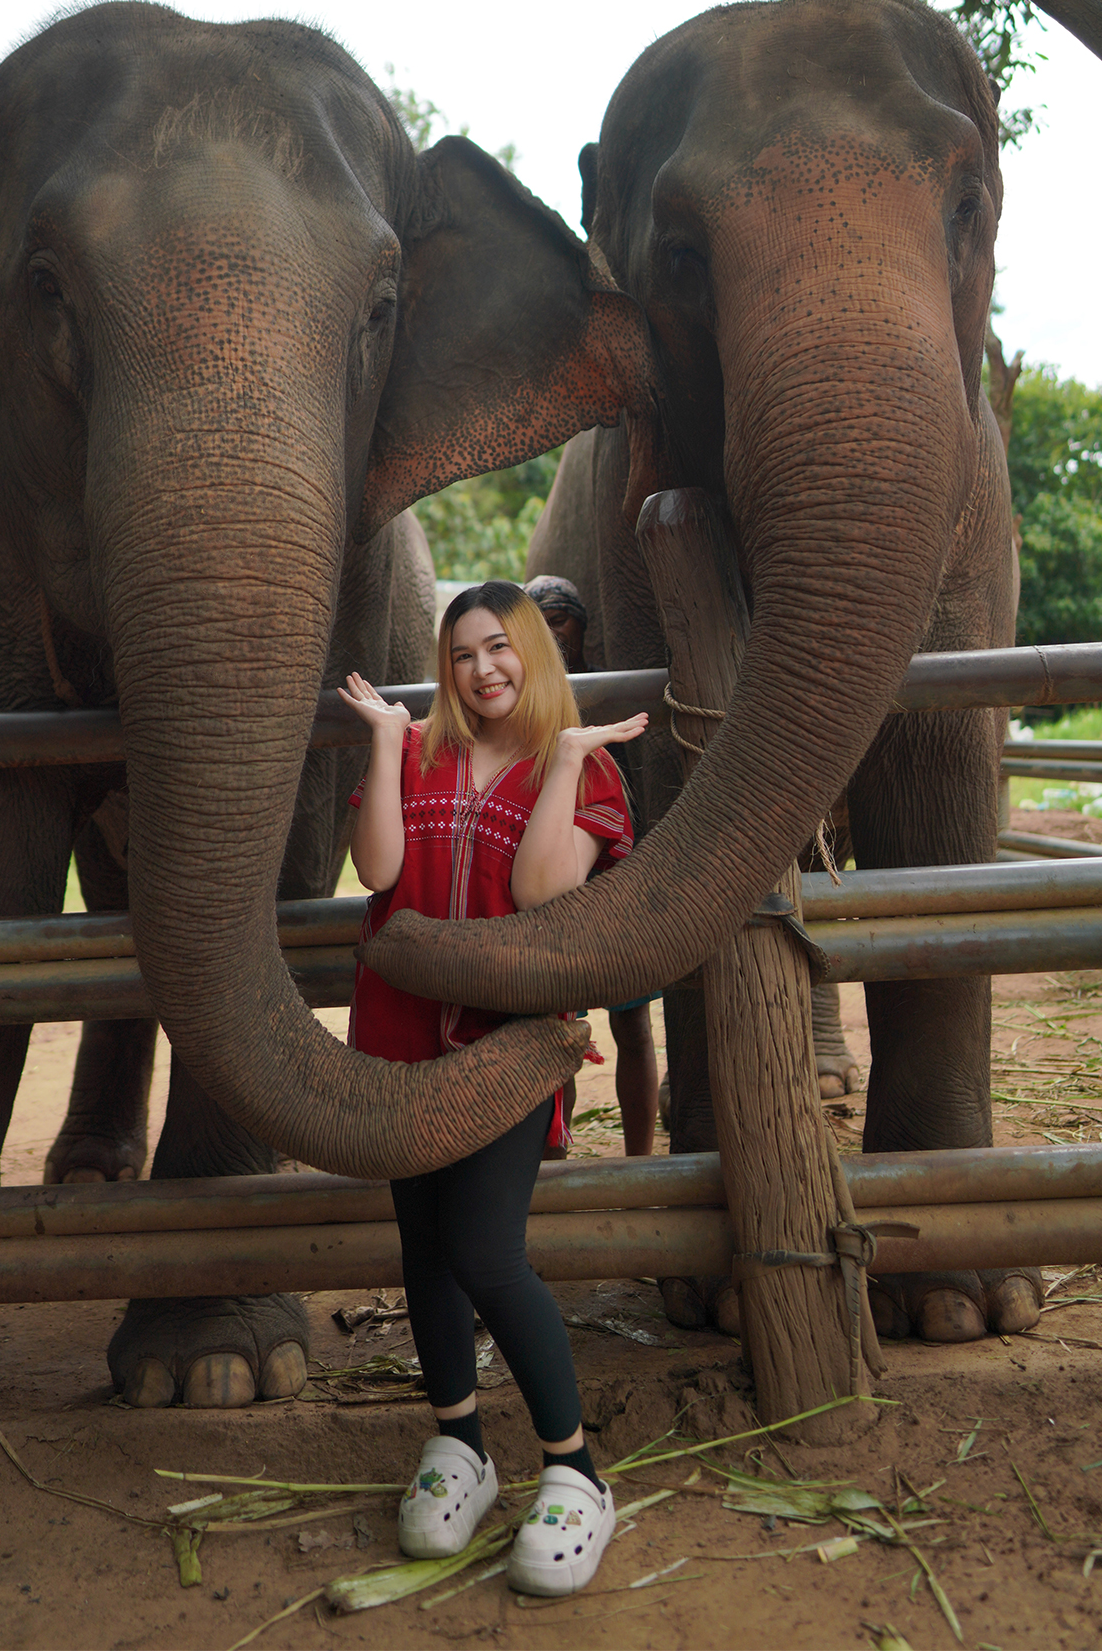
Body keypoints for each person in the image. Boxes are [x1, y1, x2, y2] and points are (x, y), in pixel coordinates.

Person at [339, 580, 647, 1598]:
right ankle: (459, 1445)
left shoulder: (588, 767)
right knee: (425, 1253)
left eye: (502, 648)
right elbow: (379, 868)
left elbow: (541, 893)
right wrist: (386, 742)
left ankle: (576, 1471)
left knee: (484, 1251)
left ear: (535, 656)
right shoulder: (420, 754)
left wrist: (560, 763)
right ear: (447, 665)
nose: (485, 669)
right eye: (465, 652)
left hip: (512, 1052)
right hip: (398, 1045)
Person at [524, 575, 662, 1158]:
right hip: (558, 896)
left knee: (632, 1029)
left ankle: (639, 1159)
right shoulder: (526, 705)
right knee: (560, 1033)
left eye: (562, 620)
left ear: (583, 626)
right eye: (542, 623)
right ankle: (557, 1155)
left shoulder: (612, 691)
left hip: (619, 886)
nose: (554, 633)